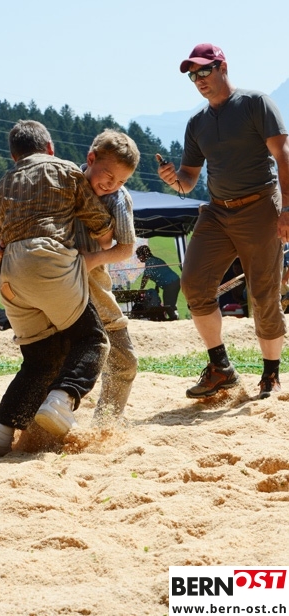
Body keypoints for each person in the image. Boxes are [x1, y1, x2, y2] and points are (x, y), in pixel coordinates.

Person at [0, 119, 114, 458]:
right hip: (47, 261)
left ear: (14, 156)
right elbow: (100, 224)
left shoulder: (2, 184)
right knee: (92, 339)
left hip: (8, 276)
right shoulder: (64, 170)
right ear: (49, 148)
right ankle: (62, 400)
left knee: (40, 361)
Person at [157, 43, 289, 399]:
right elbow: (188, 179)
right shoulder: (196, 123)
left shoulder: (255, 103)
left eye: (204, 70)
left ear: (222, 67)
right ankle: (221, 368)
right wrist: (174, 179)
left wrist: (287, 208)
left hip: (261, 207)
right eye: (192, 75)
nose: (198, 79)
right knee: (193, 284)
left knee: (263, 294)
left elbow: (283, 155)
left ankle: (271, 376)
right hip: (217, 211)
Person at [75, 129, 140, 424]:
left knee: (123, 359)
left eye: (122, 181)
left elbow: (125, 247)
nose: (112, 185)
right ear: (91, 159)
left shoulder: (117, 198)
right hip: (57, 279)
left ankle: (105, 425)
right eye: (109, 176)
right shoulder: (65, 182)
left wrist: (94, 259)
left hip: (93, 280)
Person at [136, 245, 180, 320]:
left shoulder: (149, 262)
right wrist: (157, 287)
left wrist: (141, 288)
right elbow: (160, 274)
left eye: (138, 256)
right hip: (174, 281)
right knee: (170, 303)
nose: (138, 258)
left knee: (168, 304)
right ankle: (173, 317)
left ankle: (174, 318)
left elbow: (145, 277)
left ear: (142, 255)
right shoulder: (156, 260)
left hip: (170, 283)